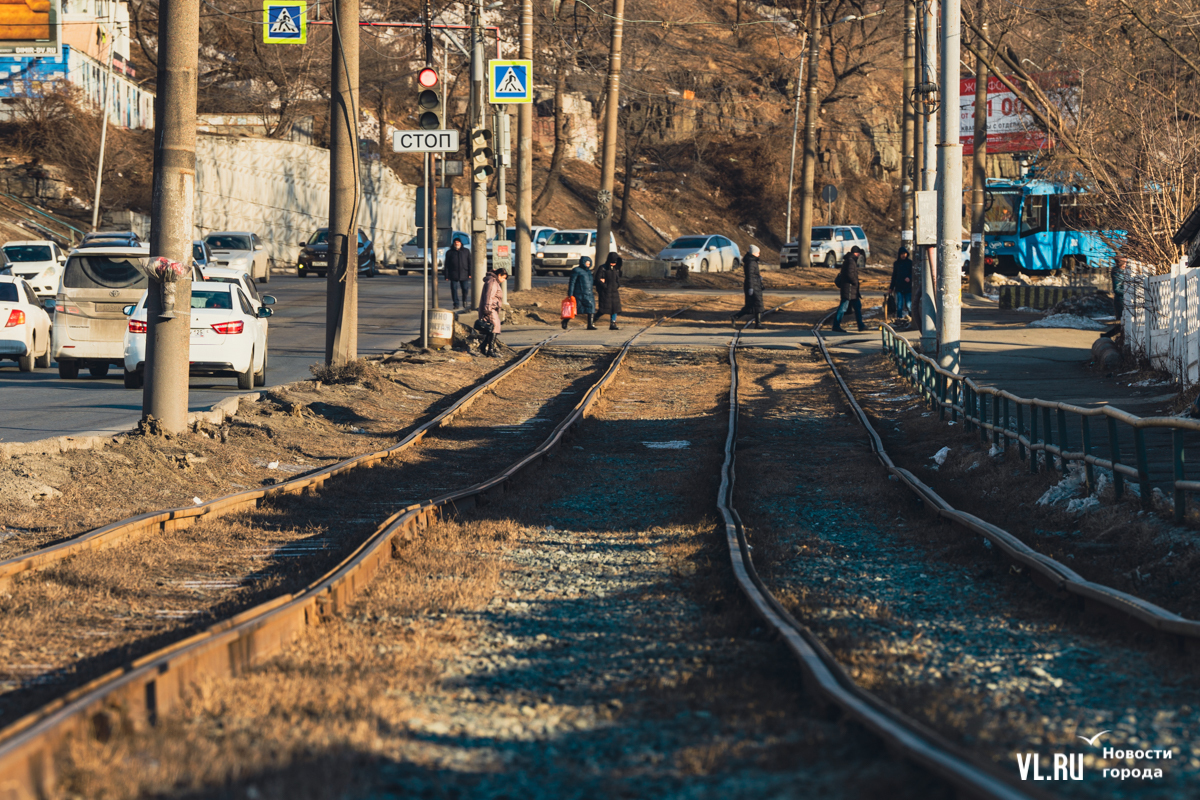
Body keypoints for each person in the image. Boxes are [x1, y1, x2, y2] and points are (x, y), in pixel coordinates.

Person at [832, 250, 866, 333]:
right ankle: (836, 325)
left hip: (850, 290)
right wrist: (855, 282)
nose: (859, 255)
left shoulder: (849, 260)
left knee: (857, 307)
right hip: (849, 290)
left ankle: (861, 325)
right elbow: (850, 274)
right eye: (859, 253)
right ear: (856, 253)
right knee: (843, 307)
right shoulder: (851, 261)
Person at [731, 245, 764, 328]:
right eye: (758, 253)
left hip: (755, 284)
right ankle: (758, 324)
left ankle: (736, 317)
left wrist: (758, 277)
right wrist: (751, 287)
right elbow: (749, 275)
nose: (759, 254)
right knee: (757, 304)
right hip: (753, 285)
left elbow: (753, 274)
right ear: (754, 253)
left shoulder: (752, 261)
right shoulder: (751, 262)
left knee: (752, 306)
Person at [478, 267, 507, 356]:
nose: (503, 280)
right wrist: (487, 309)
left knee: (492, 328)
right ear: (499, 275)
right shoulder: (493, 282)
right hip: (490, 309)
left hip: (491, 308)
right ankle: (490, 349)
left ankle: (483, 346)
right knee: (494, 328)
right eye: (503, 278)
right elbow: (489, 296)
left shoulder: (493, 282)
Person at [565, 256, 597, 330]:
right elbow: (572, 282)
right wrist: (570, 293)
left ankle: (590, 325)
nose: (588, 265)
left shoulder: (589, 272)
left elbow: (591, 282)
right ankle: (565, 321)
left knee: (591, 308)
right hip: (579, 294)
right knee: (575, 310)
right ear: (583, 263)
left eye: (589, 264)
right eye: (587, 263)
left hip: (589, 294)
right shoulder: (576, 270)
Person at [595, 251, 623, 330]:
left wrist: (617, 285)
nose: (613, 264)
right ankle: (593, 319)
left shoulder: (616, 269)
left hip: (614, 292)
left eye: (614, 263)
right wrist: (605, 285)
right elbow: (598, 279)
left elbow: (618, 279)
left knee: (615, 309)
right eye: (612, 262)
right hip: (605, 292)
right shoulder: (602, 268)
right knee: (603, 309)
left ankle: (613, 323)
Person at [444, 238, 471, 310]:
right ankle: (456, 303)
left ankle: (464, 301)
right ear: (453, 243)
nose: (457, 244)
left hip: (464, 273)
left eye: (458, 242)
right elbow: (447, 265)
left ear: (460, 243)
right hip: (453, 274)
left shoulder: (466, 251)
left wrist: (470, 273)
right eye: (455, 242)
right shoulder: (449, 252)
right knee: (454, 289)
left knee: (465, 289)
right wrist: (446, 275)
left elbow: (469, 263)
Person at [890, 247, 914, 320]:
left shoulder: (910, 263)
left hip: (907, 287)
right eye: (902, 254)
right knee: (899, 305)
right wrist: (891, 287)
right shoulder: (896, 264)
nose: (903, 255)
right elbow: (894, 276)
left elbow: (913, 273)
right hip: (899, 287)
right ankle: (899, 319)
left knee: (909, 305)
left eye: (905, 254)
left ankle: (913, 318)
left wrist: (909, 278)